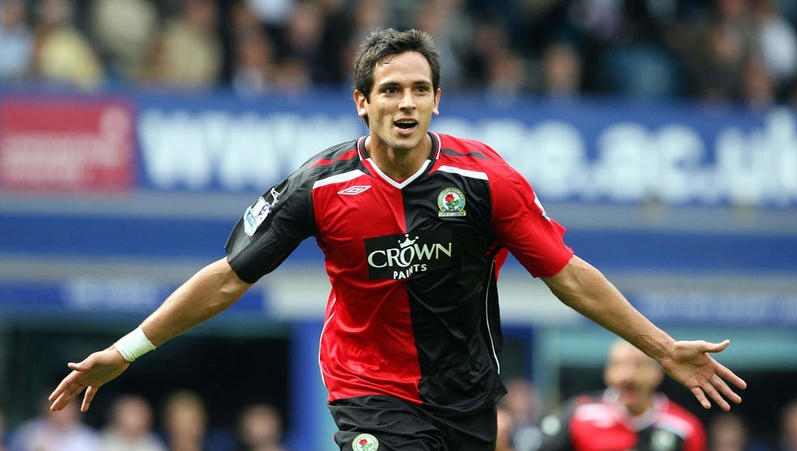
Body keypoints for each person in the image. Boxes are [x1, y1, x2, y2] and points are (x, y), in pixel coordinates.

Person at [49, 28, 746, 451]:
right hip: (368, 386)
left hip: (467, 393)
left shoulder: (486, 182)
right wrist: (126, 348)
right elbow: (229, 276)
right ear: (363, 100)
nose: (405, 102)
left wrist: (660, 345)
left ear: (437, 98)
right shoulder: (319, 187)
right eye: (389, 90)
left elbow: (567, 273)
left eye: (418, 89)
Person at [539, 340, 707, 451]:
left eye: (638, 365)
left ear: (658, 373)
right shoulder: (577, 415)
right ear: (607, 372)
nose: (628, 375)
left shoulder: (685, 427)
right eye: (619, 365)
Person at [98, 395, 166, 451]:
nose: (135, 419)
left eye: (139, 414)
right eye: (131, 413)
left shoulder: (154, 444)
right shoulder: (102, 441)